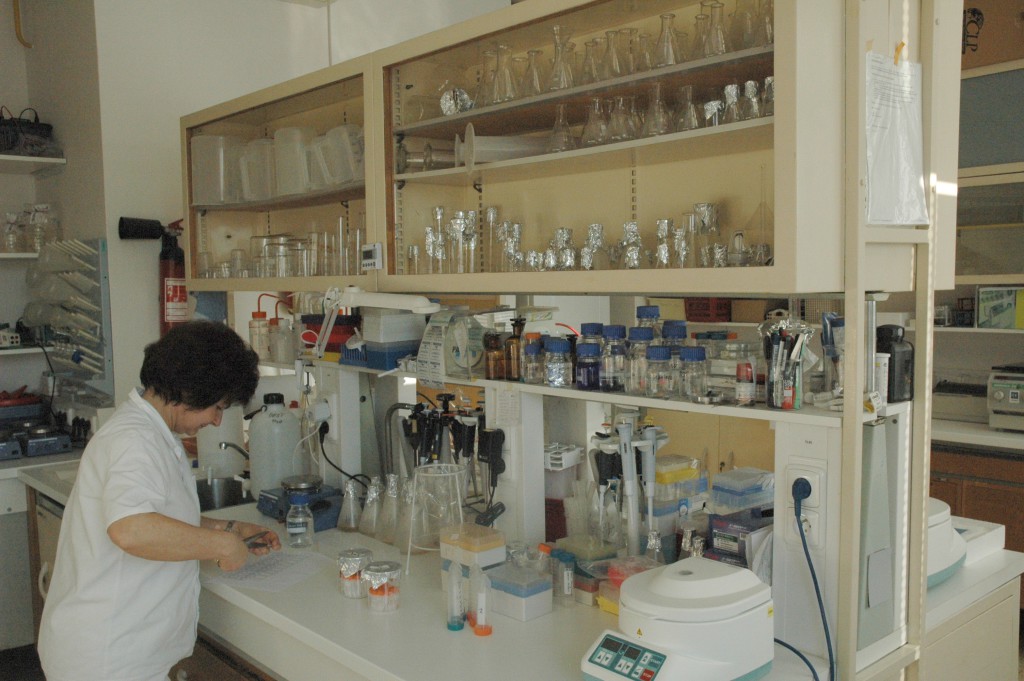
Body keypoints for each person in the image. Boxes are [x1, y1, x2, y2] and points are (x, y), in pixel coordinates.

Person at [38, 320, 281, 681]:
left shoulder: (152, 432)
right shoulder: (134, 441)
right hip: (108, 660)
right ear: (188, 389)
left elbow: (157, 516)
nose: (217, 421)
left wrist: (230, 527)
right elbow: (132, 530)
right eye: (216, 406)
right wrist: (222, 544)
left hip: (117, 653)